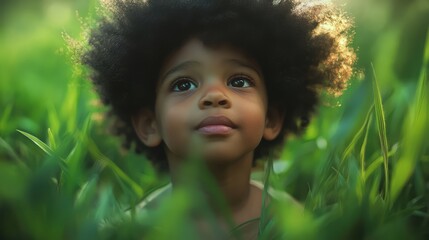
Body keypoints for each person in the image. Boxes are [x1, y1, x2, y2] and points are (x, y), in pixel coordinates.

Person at [83, 0, 355, 238]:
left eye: (239, 81)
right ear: (150, 124)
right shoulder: (134, 230)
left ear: (271, 118)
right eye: (183, 85)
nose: (214, 96)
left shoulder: (292, 223)